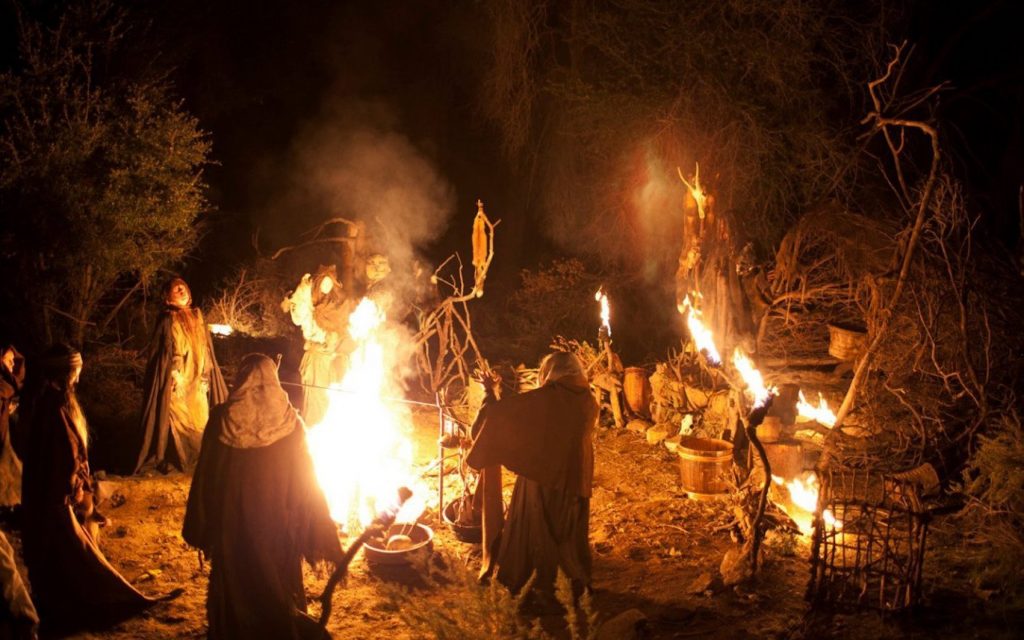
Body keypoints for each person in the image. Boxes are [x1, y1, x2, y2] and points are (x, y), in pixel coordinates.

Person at [183, 353, 343, 640]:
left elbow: (206, 476)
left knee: (236, 586)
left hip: (232, 529)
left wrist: (202, 524)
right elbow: (305, 483)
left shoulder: (221, 420)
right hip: (277, 528)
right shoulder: (290, 423)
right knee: (276, 585)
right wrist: (318, 529)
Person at [20, 344, 157, 633]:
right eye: (76, 373)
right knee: (67, 557)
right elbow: (64, 458)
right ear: (64, 374)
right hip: (56, 501)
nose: (78, 380)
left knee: (66, 556)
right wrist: (74, 493)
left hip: (51, 498)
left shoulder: (49, 404)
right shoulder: (53, 411)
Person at [466, 351, 598, 603]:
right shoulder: (586, 398)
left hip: (544, 480)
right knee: (567, 537)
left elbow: (504, 416)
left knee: (538, 536)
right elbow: (535, 420)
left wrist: (488, 393)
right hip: (574, 479)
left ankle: (540, 588)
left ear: (549, 372)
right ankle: (570, 585)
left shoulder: (551, 398)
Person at [136, 277, 227, 474]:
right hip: (178, 380)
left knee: (199, 419)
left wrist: (206, 374)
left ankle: (200, 460)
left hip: (197, 379)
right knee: (178, 419)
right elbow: (162, 353)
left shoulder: (197, 315)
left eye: (183, 287)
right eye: (176, 289)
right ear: (167, 298)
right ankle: (180, 459)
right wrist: (171, 376)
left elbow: (206, 348)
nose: (181, 290)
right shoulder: (167, 319)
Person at [283, 267, 350, 427]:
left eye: (329, 283)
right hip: (317, 357)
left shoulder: (337, 305)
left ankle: (331, 427)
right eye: (323, 283)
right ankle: (315, 428)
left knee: (332, 395)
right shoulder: (309, 306)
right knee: (316, 396)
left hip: (333, 358)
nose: (326, 287)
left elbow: (343, 329)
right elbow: (299, 315)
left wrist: (336, 341)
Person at [0, 345, 25, 510]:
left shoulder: (8, 390)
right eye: (8, 361)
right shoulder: (4, 387)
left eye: (13, 363)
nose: (11, 366)